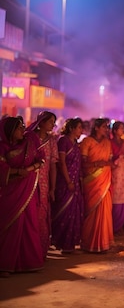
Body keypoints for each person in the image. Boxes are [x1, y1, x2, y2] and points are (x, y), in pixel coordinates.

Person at [0, 117, 45, 276]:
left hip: (27, 191)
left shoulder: (29, 143)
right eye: (19, 128)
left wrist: (31, 168)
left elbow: (41, 159)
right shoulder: (2, 147)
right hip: (10, 192)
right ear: (10, 131)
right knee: (10, 226)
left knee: (29, 224)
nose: (22, 130)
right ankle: (5, 264)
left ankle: (27, 262)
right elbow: (2, 169)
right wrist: (19, 172)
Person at [26, 111, 59, 260]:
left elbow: (53, 166)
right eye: (51, 121)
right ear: (42, 122)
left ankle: (41, 249)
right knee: (30, 213)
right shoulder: (29, 138)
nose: (53, 124)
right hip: (28, 180)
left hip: (44, 183)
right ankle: (28, 251)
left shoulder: (52, 141)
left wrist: (52, 188)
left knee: (42, 214)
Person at [79, 118, 114, 253]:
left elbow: (109, 161)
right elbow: (83, 163)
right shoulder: (87, 142)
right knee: (91, 210)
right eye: (104, 127)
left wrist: (109, 165)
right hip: (91, 181)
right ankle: (89, 243)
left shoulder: (107, 142)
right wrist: (97, 164)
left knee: (104, 209)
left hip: (105, 180)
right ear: (97, 128)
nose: (106, 129)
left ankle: (103, 242)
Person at [51, 118, 84, 254]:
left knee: (73, 212)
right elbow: (62, 163)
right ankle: (59, 241)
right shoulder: (63, 141)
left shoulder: (75, 143)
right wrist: (68, 181)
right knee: (63, 212)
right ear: (71, 128)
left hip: (74, 181)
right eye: (79, 127)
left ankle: (68, 245)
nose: (81, 130)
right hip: (65, 182)